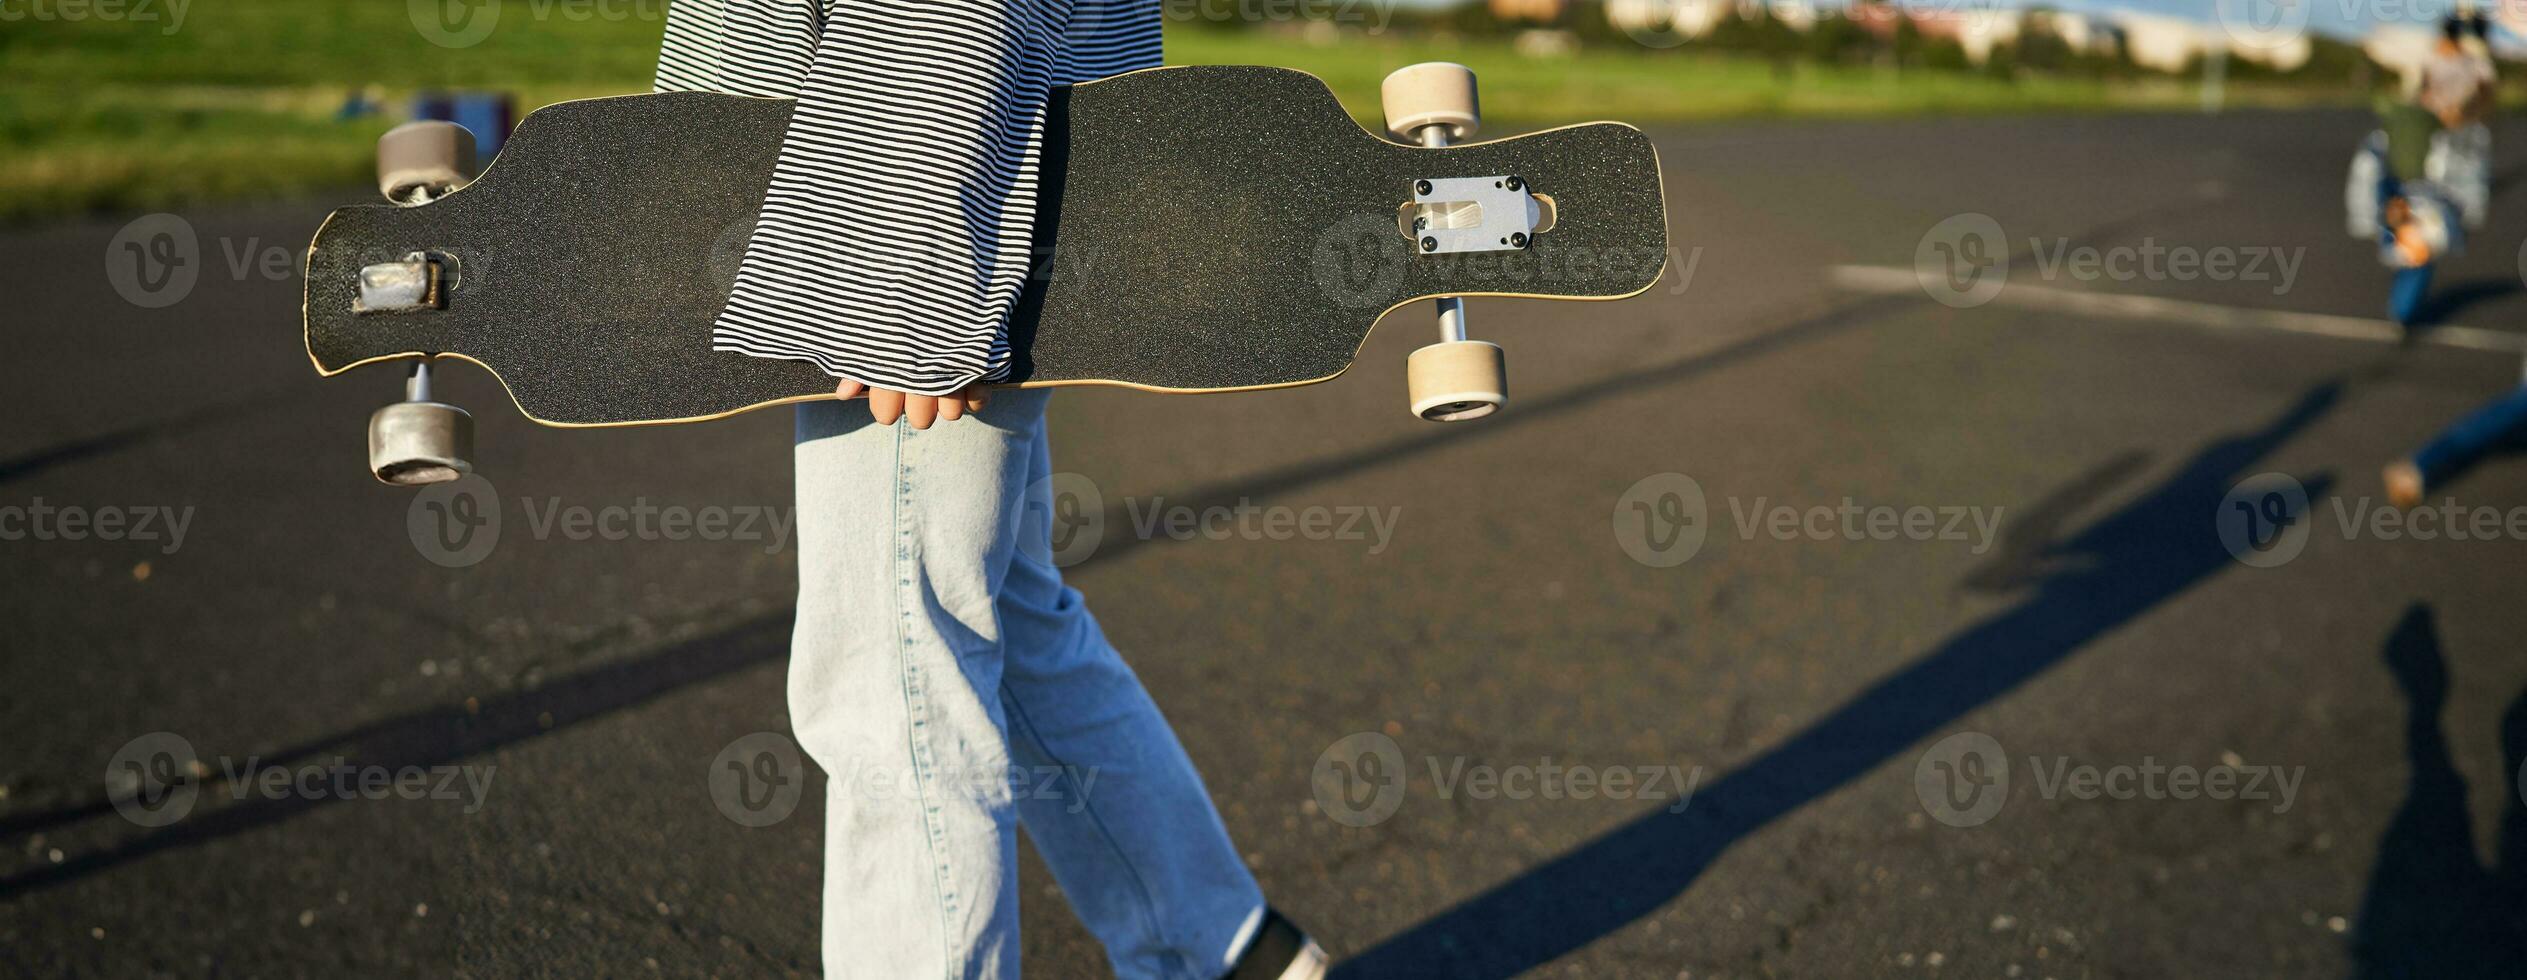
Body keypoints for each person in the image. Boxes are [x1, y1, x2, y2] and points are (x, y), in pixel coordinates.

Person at [652, 3, 1326, 977]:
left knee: (895, 665)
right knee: (994, 600)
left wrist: (915, 259)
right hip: (898, 171)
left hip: (905, 186)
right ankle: (1217, 944)